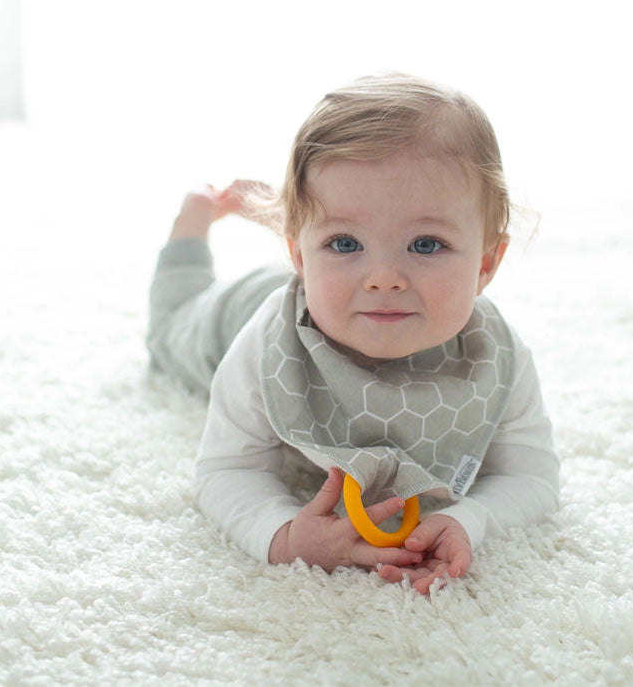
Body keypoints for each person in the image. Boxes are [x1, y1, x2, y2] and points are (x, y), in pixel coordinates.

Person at [147, 72, 559, 594]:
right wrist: (282, 536)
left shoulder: (496, 355)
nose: (383, 277)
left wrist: (470, 520)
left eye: (426, 245)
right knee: (169, 329)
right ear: (300, 257)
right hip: (234, 312)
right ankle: (196, 218)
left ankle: (304, 220)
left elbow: (533, 477)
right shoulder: (268, 344)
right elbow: (226, 471)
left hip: (325, 287)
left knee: (345, 234)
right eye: (345, 243)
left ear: (486, 263)